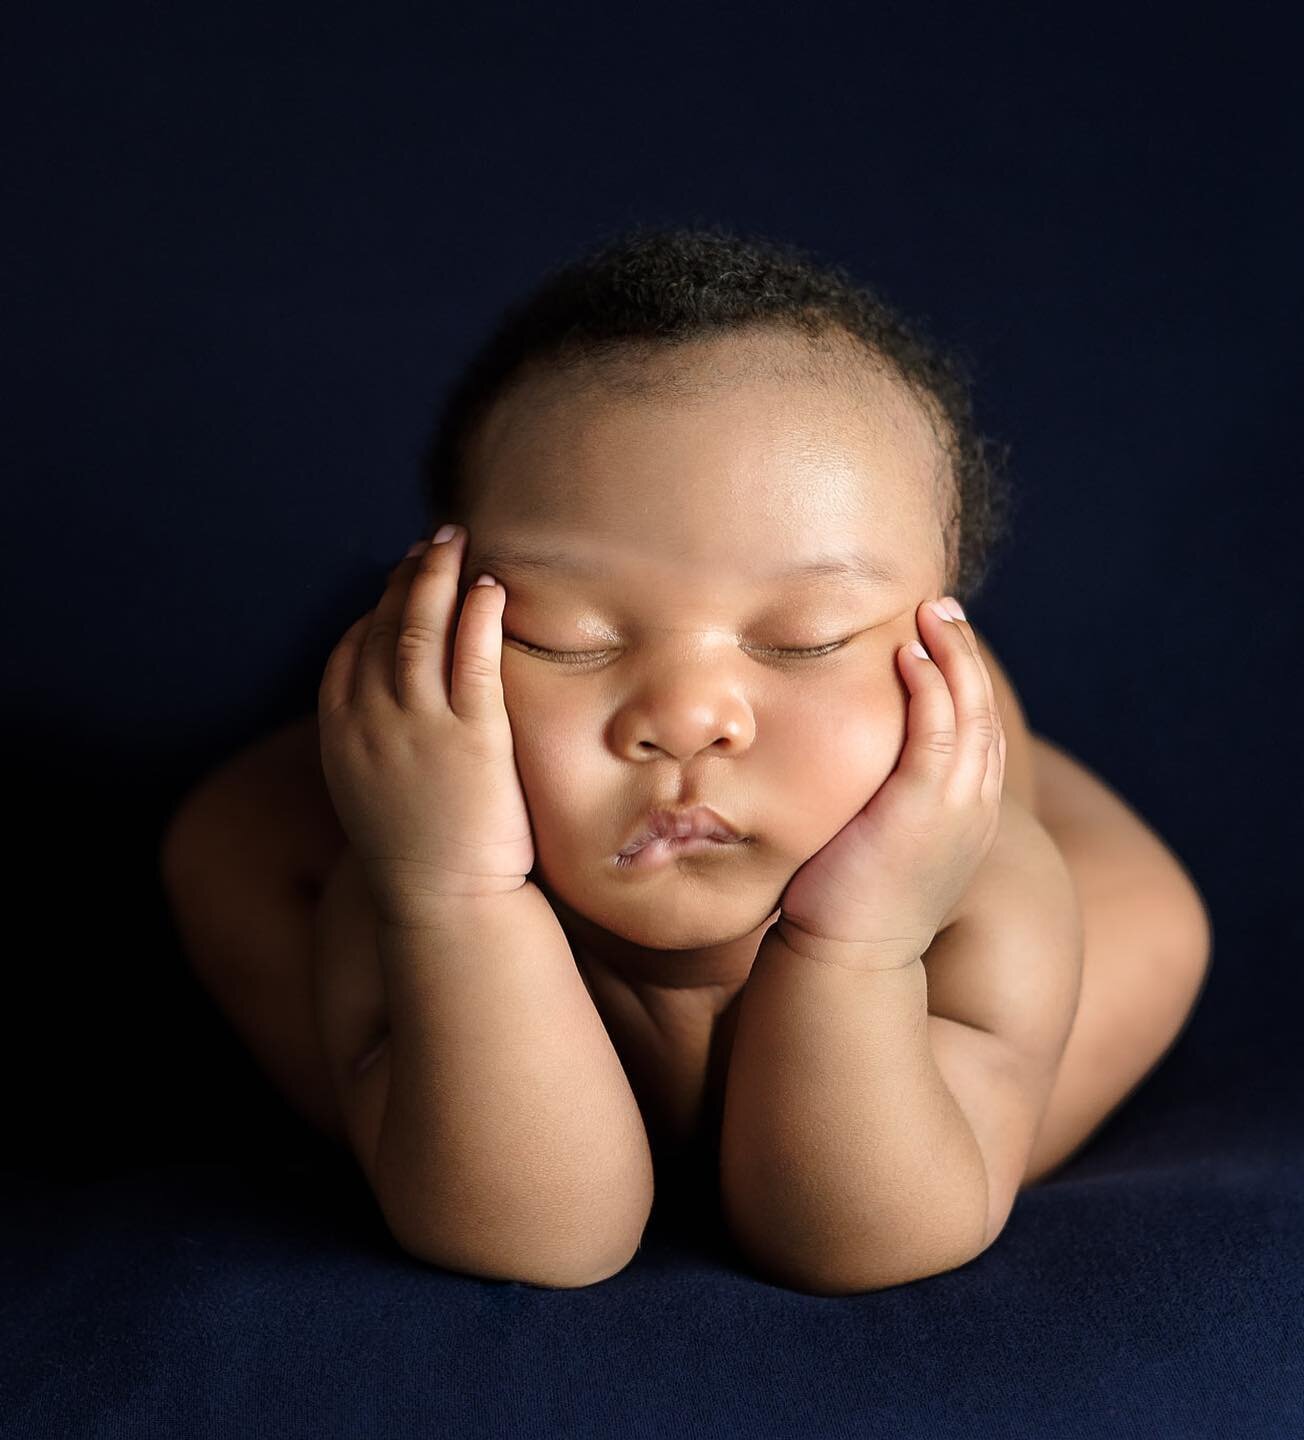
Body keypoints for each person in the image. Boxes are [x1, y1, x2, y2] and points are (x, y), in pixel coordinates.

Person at [161, 222, 1212, 1293]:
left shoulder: (985, 903)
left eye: (801, 638)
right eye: (567, 635)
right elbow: (539, 1236)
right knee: (227, 845)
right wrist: (456, 893)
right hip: (426, 815)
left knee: (1155, 927)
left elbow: (862, 1240)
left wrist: (862, 946)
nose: (689, 717)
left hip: (971, 854)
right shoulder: (394, 879)